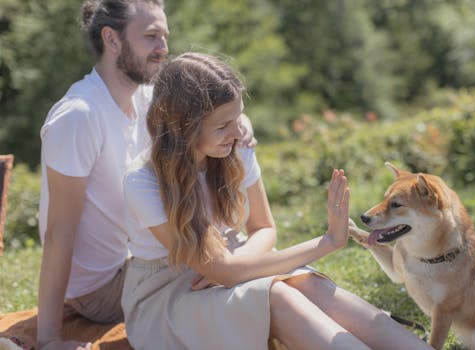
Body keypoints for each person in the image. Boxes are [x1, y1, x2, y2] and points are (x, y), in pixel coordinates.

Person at [121, 52, 433, 350]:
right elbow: (225, 272)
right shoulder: (143, 181)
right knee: (277, 296)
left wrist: (235, 262)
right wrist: (326, 242)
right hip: (168, 296)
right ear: (184, 128)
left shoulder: (234, 146)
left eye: (238, 117)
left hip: (230, 261)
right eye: (222, 126)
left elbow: (263, 228)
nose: (237, 132)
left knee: (307, 285)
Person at [36, 1, 257, 349]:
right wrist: (49, 339)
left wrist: (239, 122)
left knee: (240, 261)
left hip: (149, 255)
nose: (163, 49)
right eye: (151, 36)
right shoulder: (78, 117)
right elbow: (58, 233)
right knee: (238, 270)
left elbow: (209, 114)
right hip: (104, 286)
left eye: (164, 36)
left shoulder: (148, 101)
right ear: (112, 39)